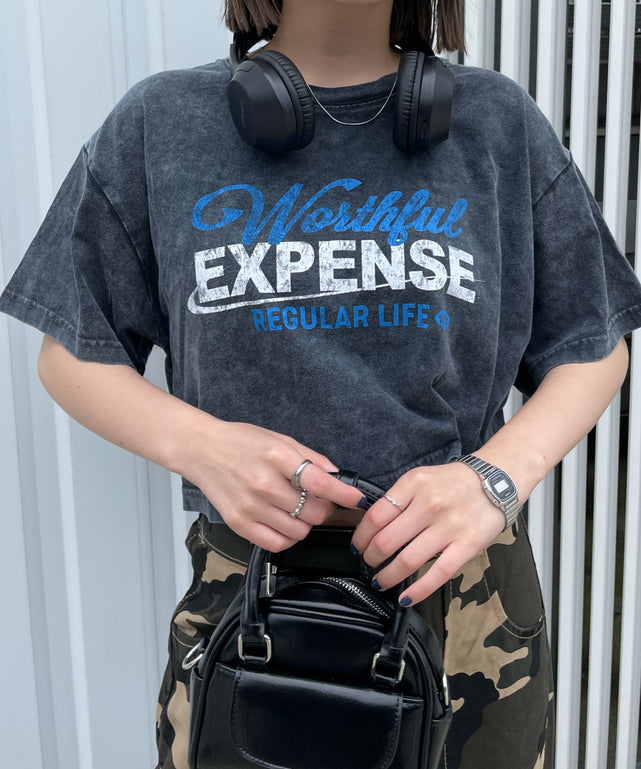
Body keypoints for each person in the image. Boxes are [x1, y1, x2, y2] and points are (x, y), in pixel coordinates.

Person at [1, 0, 640, 767]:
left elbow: (591, 345)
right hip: (250, 606)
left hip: (468, 613)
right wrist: (203, 447)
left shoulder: (497, 123)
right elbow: (71, 351)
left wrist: (492, 478)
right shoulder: (161, 123)